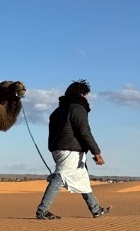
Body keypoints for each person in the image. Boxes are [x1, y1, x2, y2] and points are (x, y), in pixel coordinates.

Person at [36, 79, 111, 220]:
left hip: (60, 149)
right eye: (86, 94)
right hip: (69, 149)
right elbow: (84, 131)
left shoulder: (57, 111)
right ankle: (42, 210)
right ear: (81, 94)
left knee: (81, 178)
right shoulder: (77, 108)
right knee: (61, 176)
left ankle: (96, 209)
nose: (87, 98)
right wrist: (97, 152)